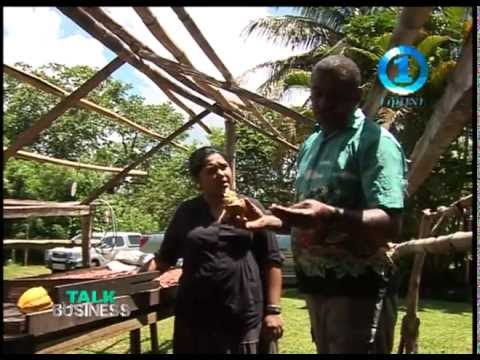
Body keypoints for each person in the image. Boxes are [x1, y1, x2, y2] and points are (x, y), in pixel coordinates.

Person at [244, 55, 408, 354]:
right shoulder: (313, 143)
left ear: (357, 96)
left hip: (359, 289)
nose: (322, 103)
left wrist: (330, 215)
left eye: (334, 96)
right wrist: (273, 219)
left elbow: (391, 223)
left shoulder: (375, 142)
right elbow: (309, 215)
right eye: (317, 93)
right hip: (317, 285)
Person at [140, 146, 283, 354]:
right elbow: (165, 258)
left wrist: (273, 310)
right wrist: (134, 277)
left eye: (224, 167)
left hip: (244, 312)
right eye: (211, 170)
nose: (221, 174)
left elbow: (272, 260)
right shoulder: (187, 212)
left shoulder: (250, 207)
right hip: (196, 316)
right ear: (198, 181)